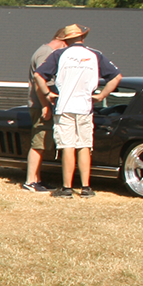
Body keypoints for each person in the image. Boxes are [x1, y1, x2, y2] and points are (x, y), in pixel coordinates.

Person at [36, 24, 121, 198]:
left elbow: (39, 75)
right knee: (84, 146)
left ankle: (67, 188)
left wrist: (47, 93)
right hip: (85, 106)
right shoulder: (95, 55)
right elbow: (116, 76)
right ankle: (86, 187)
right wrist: (101, 95)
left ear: (66, 40)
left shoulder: (59, 54)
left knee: (67, 146)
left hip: (65, 106)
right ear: (82, 38)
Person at [23, 26, 70, 192]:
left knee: (43, 143)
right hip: (40, 105)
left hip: (42, 104)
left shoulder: (44, 51)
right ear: (63, 41)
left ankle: (37, 179)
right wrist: (45, 105)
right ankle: (30, 181)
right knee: (39, 142)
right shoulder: (46, 53)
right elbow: (40, 82)